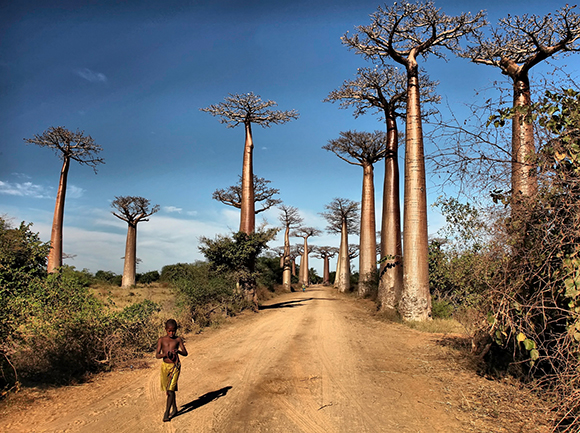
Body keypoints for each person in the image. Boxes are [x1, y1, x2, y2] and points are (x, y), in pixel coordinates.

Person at [156, 319, 188, 422]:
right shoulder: (161, 340)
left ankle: (167, 412)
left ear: (176, 330)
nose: (171, 333)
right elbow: (157, 355)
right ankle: (174, 409)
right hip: (165, 366)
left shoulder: (178, 340)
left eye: (173, 331)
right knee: (169, 390)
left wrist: (177, 351)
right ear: (166, 330)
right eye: (169, 331)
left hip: (175, 366)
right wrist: (165, 355)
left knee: (170, 390)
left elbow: (185, 353)